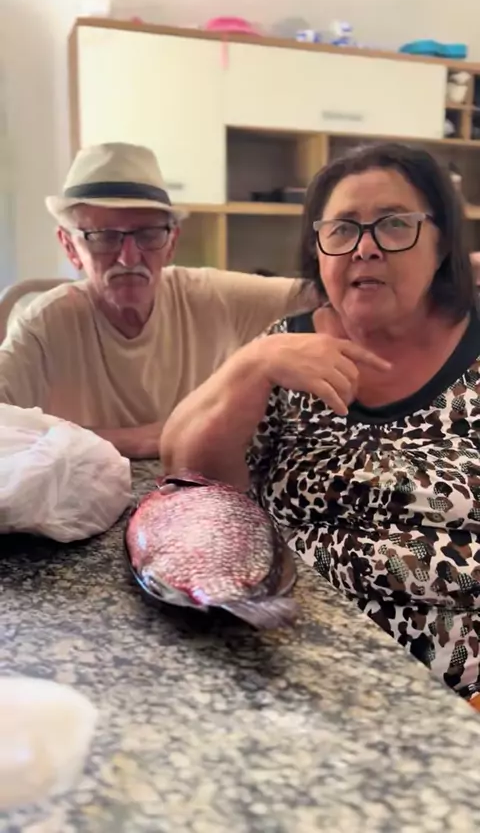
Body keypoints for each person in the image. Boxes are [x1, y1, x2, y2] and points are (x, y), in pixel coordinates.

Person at [161, 141, 480, 703]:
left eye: (394, 224)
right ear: (318, 248)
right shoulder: (287, 348)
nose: (365, 248)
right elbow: (192, 481)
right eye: (342, 229)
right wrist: (251, 366)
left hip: (458, 685)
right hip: (288, 658)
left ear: (443, 241)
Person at [0, 142, 314, 458]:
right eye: (104, 236)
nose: (128, 258)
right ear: (70, 247)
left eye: (148, 234)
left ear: (171, 243)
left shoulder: (210, 296)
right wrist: (137, 440)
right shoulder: (45, 324)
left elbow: (319, 295)